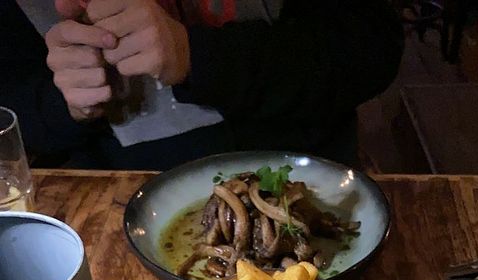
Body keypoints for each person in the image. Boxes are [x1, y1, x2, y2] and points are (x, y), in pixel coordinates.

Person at [1, 0, 404, 170]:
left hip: (311, 176)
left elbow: (372, 49)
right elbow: (12, 111)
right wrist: (63, 102)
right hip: (115, 212)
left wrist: (196, 55)